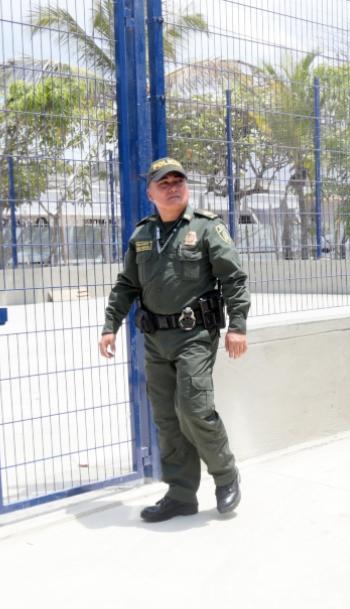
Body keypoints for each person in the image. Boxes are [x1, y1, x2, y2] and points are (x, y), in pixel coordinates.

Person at [99, 158, 251, 522]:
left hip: (195, 335)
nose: (172, 187)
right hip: (155, 339)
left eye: (177, 181)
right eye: (163, 183)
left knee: (194, 408)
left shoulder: (207, 228)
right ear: (150, 192)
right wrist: (110, 325)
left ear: (187, 187)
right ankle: (181, 493)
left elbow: (233, 278)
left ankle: (226, 475)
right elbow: (127, 285)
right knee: (167, 418)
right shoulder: (142, 235)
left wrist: (238, 325)